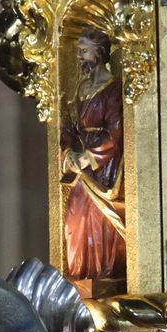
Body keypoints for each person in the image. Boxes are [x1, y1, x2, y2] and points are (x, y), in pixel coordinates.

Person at [62, 29, 127, 286]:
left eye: (83, 51)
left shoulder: (113, 89)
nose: (79, 56)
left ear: (99, 53)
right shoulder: (81, 88)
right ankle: (81, 276)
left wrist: (90, 157)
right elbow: (68, 126)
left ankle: (103, 276)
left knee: (99, 222)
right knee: (74, 221)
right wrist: (68, 151)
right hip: (81, 166)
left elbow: (116, 132)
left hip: (104, 168)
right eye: (78, 51)